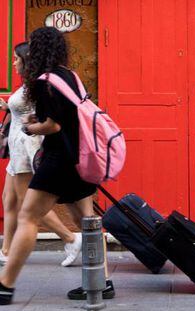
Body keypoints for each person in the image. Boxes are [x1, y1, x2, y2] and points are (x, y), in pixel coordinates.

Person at [0, 27, 114, 305]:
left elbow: (52, 125)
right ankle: (103, 282)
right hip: (81, 158)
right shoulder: (70, 76)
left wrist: (29, 127)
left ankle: (5, 285)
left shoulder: (43, 81)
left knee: (28, 217)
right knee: (87, 222)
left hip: (58, 160)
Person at [0, 42, 81, 268]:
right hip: (17, 147)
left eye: (16, 58)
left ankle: (71, 238)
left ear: (26, 61)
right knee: (9, 198)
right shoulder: (28, 85)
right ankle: (7, 249)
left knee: (28, 201)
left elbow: (43, 116)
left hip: (27, 146)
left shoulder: (37, 84)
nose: (13, 62)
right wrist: (7, 107)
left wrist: (19, 115)